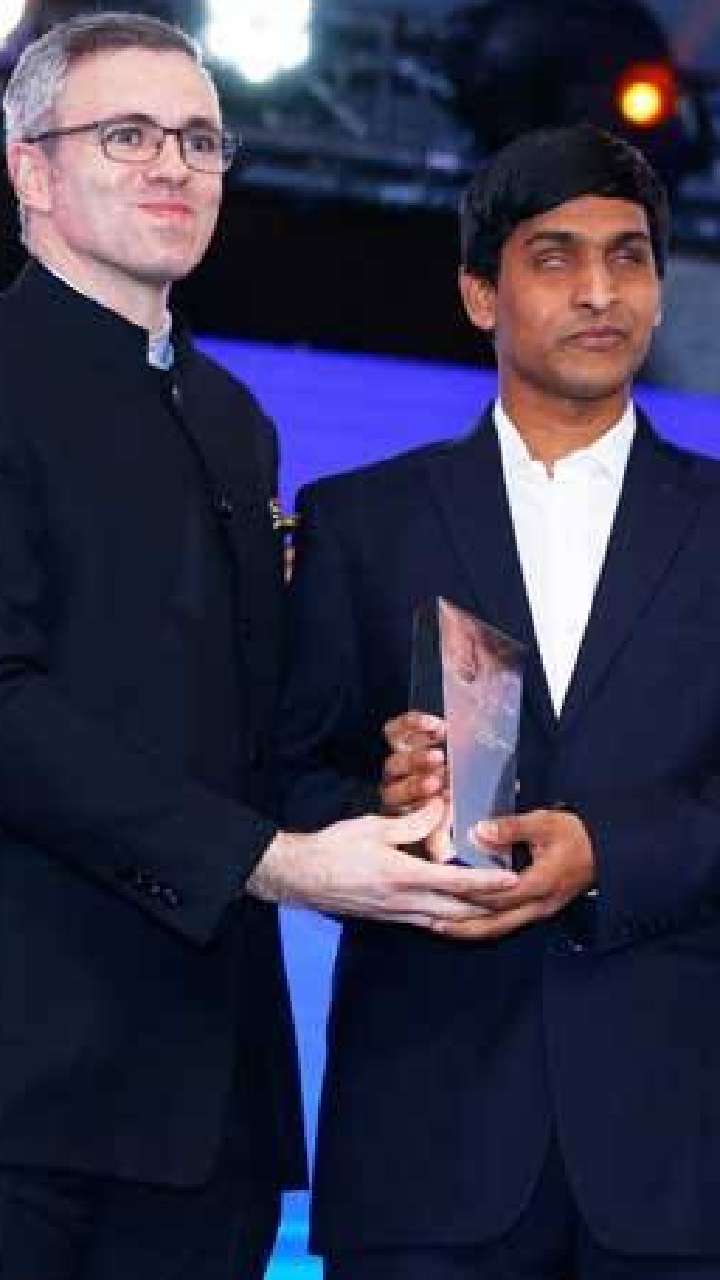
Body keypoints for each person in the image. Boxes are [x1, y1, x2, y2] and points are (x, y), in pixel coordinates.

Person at [0, 12, 513, 1278]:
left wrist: (385, 779)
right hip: (27, 1083)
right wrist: (275, 860)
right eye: (128, 136)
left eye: (200, 140)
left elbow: (244, 724)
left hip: (210, 1099)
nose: (174, 166)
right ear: (30, 169)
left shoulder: (233, 419)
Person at [278, 123, 720, 1278]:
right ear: (482, 294)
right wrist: (382, 808)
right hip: (426, 1139)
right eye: (555, 256)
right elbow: (285, 781)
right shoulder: (363, 520)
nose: (599, 290)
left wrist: (610, 853)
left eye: (629, 258)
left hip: (680, 1152)